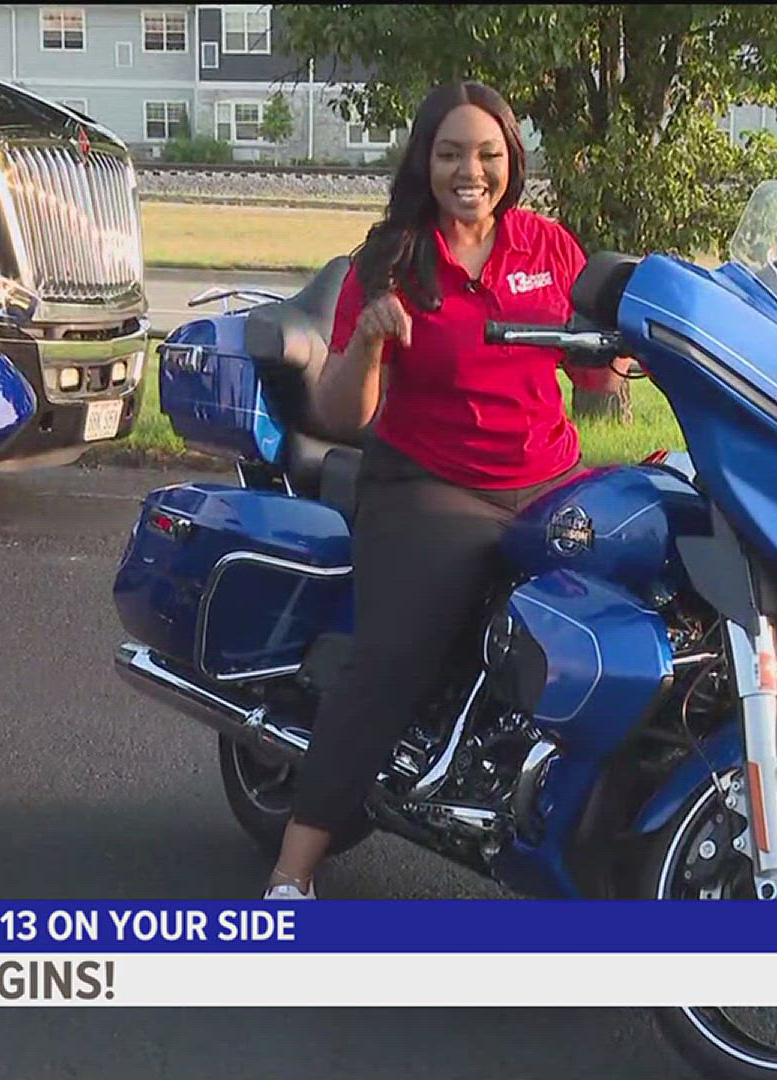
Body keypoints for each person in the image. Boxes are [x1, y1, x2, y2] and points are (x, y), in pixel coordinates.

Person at [263, 80, 624, 899]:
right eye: (452, 153)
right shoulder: (390, 259)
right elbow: (340, 413)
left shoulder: (547, 248)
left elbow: (595, 368)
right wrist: (369, 343)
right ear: (426, 161)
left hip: (548, 480)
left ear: (511, 162)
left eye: (488, 155)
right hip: (429, 486)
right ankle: (293, 871)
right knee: (391, 662)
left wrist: (636, 354)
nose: (472, 171)